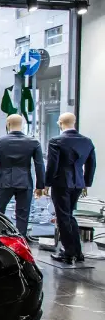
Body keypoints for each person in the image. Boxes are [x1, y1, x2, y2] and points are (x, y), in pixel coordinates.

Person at [45, 112, 96, 264]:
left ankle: (68, 252)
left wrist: (46, 184)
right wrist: (86, 183)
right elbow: (92, 164)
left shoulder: (56, 141)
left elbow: (52, 165)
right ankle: (77, 252)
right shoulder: (87, 141)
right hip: (78, 183)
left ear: (60, 123)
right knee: (70, 216)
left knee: (63, 217)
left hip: (61, 183)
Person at [0, 114, 45, 237]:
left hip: (4, 181)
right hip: (25, 181)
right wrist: (40, 186)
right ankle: (20, 240)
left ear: (8, 124)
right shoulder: (33, 143)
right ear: (22, 125)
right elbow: (39, 165)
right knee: (23, 214)